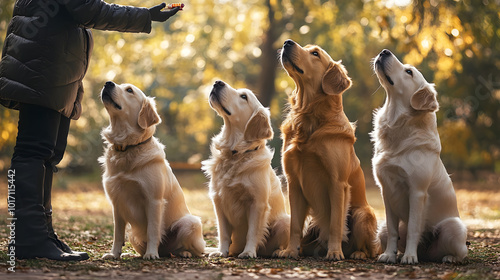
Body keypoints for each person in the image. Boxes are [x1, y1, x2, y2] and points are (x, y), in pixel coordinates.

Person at [0, 0, 180, 261]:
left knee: (48, 155)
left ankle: (40, 234)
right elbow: (87, 8)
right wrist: (143, 17)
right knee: (33, 151)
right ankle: (27, 238)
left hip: (53, 66)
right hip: (43, 64)